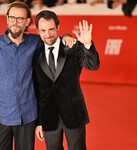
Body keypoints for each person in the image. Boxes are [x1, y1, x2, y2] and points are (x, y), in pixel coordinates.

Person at [0, 2, 75, 150]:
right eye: (12, 18)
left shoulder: (35, 42)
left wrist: (67, 36)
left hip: (27, 117)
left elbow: (51, 38)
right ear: (6, 19)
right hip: (1, 116)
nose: (15, 22)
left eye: (19, 18)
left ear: (27, 22)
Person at [33, 10, 100, 150]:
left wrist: (87, 45)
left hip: (73, 115)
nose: (47, 34)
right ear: (38, 30)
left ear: (58, 27)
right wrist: (39, 122)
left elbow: (93, 66)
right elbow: (38, 91)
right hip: (49, 119)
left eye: (51, 29)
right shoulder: (36, 55)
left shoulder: (72, 47)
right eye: (43, 30)